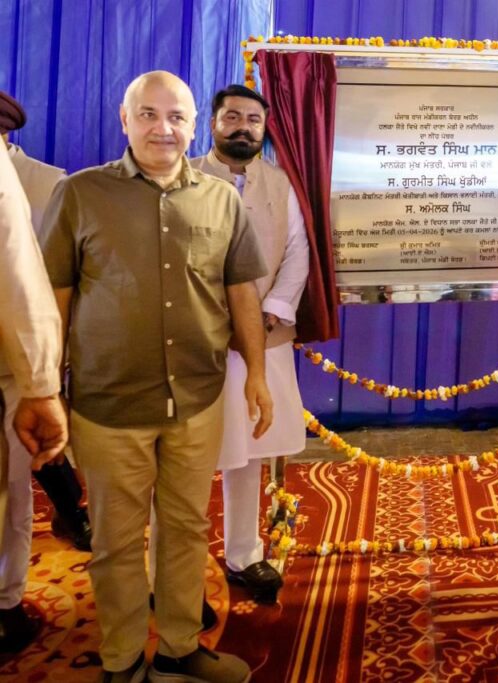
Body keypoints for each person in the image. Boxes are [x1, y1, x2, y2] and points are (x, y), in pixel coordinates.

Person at [40, 70, 271, 683]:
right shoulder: (79, 194)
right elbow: (54, 297)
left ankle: (178, 650)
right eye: (148, 114)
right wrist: (45, 388)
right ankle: (120, 663)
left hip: (197, 398)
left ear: (194, 127)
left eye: (176, 117)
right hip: (108, 403)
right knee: (116, 541)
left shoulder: (222, 200)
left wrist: (257, 374)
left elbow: (241, 291)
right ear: (125, 120)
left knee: (186, 528)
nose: (162, 128)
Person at [190, 84, 309, 602]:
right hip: (199, 341)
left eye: (253, 120)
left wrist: (272, 310)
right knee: (190, 455)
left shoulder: (279, 182)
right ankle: (178, 568)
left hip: (264, 333)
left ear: (264, 128)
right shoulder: (185, 176)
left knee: (250, 450)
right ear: (213, 123)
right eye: (233, 117)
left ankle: (244, 554)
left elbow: (297, 251)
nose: (243, 127)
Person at [1, 91, 92, 558]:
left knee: (17, 480)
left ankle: (70, 514)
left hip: (19, 355)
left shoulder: (48, 183)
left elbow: (49, 273)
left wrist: (48, 367)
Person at [0, 135, 67, 655]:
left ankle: (7, 598)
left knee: (14, 488)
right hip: (18, 364)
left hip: (10, 366)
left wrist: (42, 378)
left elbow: (32, 275)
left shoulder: (49, 182)